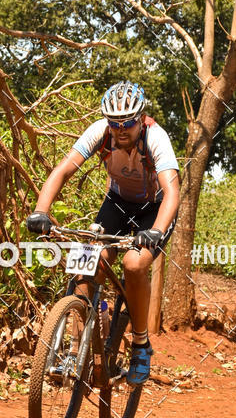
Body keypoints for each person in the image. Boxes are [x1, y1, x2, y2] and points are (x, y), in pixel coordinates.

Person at [27, 80, 180, 384]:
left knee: (134, 264)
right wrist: (41, 211)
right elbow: (63, 170)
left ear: (142, 118)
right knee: (88, 260)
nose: (121, 129)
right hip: (117, 203)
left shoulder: (157, 138)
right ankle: (74, 350)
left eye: (129, 123)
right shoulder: (100, 132)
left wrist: (156, 231)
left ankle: (140, 345)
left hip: (155, 208)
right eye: (115, 123)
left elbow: (172, 191)